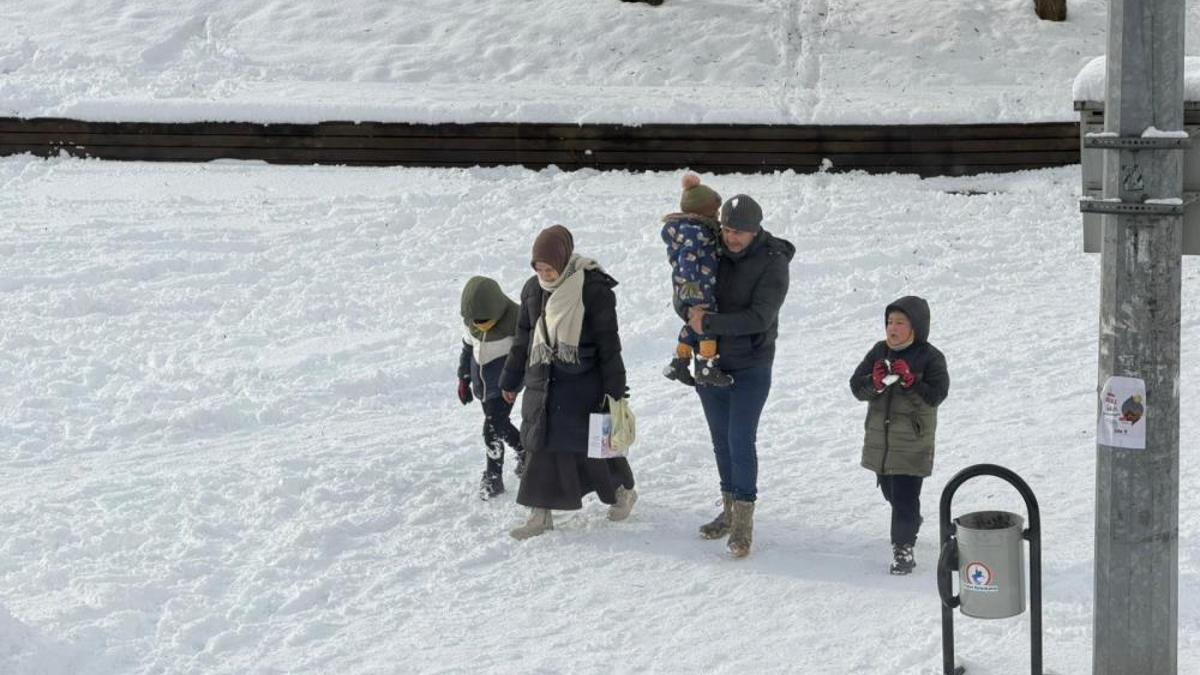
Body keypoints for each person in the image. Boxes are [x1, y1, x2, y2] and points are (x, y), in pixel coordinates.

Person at [500, 225, 637, 540]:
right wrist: (510, 379)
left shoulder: (593, 289)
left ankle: (622, 492)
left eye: (550, 269)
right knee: (539, 446)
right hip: (542, 382)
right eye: (539, 269)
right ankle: (540, 514)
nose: (545, 275)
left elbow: (609, 344)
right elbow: (523, 339)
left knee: (592, 449)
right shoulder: (532, 290)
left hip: (583, 385)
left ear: (563, 261)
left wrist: (615, 389)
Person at [684, 195, 794, 558]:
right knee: (720, 440)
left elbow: (759, 318)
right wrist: (688, 309)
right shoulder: (709, 249)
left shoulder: (773, 262)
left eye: (740, 233)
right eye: (727, 230)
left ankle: (744, 522)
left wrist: (709, 322)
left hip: (751, 363)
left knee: (739, 439)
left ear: (756, 230)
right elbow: (685, 285)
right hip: (709, 360)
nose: (731, 238)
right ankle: (729, 510)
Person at [848, 296, 949, 575]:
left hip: (912, 443)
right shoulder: (879, 351)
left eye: (900, 323)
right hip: (882, 442)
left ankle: (903, 548)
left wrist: (911, 381)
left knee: (904, 495)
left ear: (916, 327)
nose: (892, 328)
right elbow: (857, 387)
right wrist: (875, 382)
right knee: (890, 491)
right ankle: (911, 520)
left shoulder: (930, 357)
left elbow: (936, 396)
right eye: (889, 322)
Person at [660, 174, 733, 388]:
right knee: (707, 322)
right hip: (697, 286)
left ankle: (679, 361)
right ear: (704, 211)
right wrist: (692, 284)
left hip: (691, 285)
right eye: (715, 211)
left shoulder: (688, 228)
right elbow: (687, 257)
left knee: (693, 323)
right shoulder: (695, 230)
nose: (718, 215)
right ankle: (706, 367)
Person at [457, 276, 526, 499]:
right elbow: (468, 349)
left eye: (484, 321)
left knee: (491, 430)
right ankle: (526, 453)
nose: (479, 325)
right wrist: (464, 378)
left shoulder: (515, 322)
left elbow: (526, 355)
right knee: (500, 424)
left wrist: (514, 383)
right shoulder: (473, 325)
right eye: (475, 321)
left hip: (505, 387)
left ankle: (493, 477)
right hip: (484, 387)